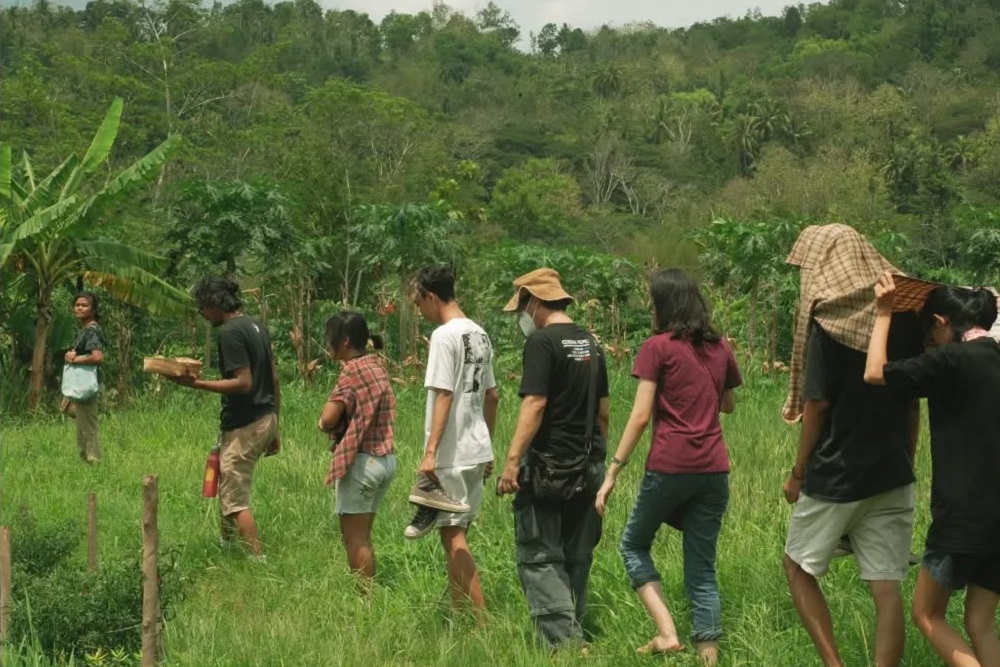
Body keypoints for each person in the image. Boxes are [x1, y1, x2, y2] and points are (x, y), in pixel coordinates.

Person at [595, 269, 741, 666]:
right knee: (702, 569)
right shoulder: (720, 346)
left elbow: (640, 416)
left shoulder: (656, 347)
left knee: (633, 544)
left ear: (663, 304)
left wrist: (613, 472)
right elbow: (728, 405)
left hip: (671, 466)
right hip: (714, 469)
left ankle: (666, 633)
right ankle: (708, 659)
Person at [865, 274, 1000, 667]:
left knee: (926, 614)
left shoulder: (948, 360)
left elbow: (875, 372)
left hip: (960, 515)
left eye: (930, 327)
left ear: (942, 323)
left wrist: (884, 313)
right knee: (981, 624)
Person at [496, 268, 609, 649]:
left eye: (522, 308)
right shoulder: (590, 343)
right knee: (577, 554)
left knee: (541, 556)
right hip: (589, 463)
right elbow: (604, 411)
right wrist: (599, 462)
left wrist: (512, 462)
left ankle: (566, 646)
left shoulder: (543, 343)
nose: (521, 317)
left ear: (536, 301)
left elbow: (536, 402)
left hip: (548, 467)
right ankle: (576, 629)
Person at [405, 266, 499, 622]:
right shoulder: (480, 334)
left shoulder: (445, 336)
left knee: (454, 537)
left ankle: (478, 624)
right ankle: (462, 615)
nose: (420, 312)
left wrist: (430, 452)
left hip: (452, 453)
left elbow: (443, 394)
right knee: (455, 535)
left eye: (419, 303)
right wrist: (487, 445)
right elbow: (492, 396)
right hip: (476, 449)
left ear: (431, 295)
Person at [168, 276, 280, 560]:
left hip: (247, 423)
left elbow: (244, 383)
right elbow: (273, 378)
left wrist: (197, 384)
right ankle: (227, 545)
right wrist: (275, 424)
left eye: (203, 307)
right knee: (225, 481)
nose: (203, 315)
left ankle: (257, 560)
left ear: (216, 303)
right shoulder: (256, 326)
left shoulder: (230, 332)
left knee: (234, 495)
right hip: (263, 418)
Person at [318, 311, 396, 587]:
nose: (328, 343)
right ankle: (368, 592)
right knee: (363, 534)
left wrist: (322, 422)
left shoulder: (351, 372)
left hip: (363, 464)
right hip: (385, 460)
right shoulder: (376, 365)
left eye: (331, 338)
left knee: (355, 537)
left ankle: (365, 600)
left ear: (346, 341)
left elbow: (328, 419)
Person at [63, 291, 105, 464]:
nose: (79, 308)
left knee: (88, 427)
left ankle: (94, 461)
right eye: (77, 305)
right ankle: (85, 460)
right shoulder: (86, 330)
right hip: (80, 384)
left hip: (87, 384)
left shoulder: (92, 331)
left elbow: (98, 357)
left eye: (84, 305)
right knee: (80, 421)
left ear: (93, 309)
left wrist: (75, 359)